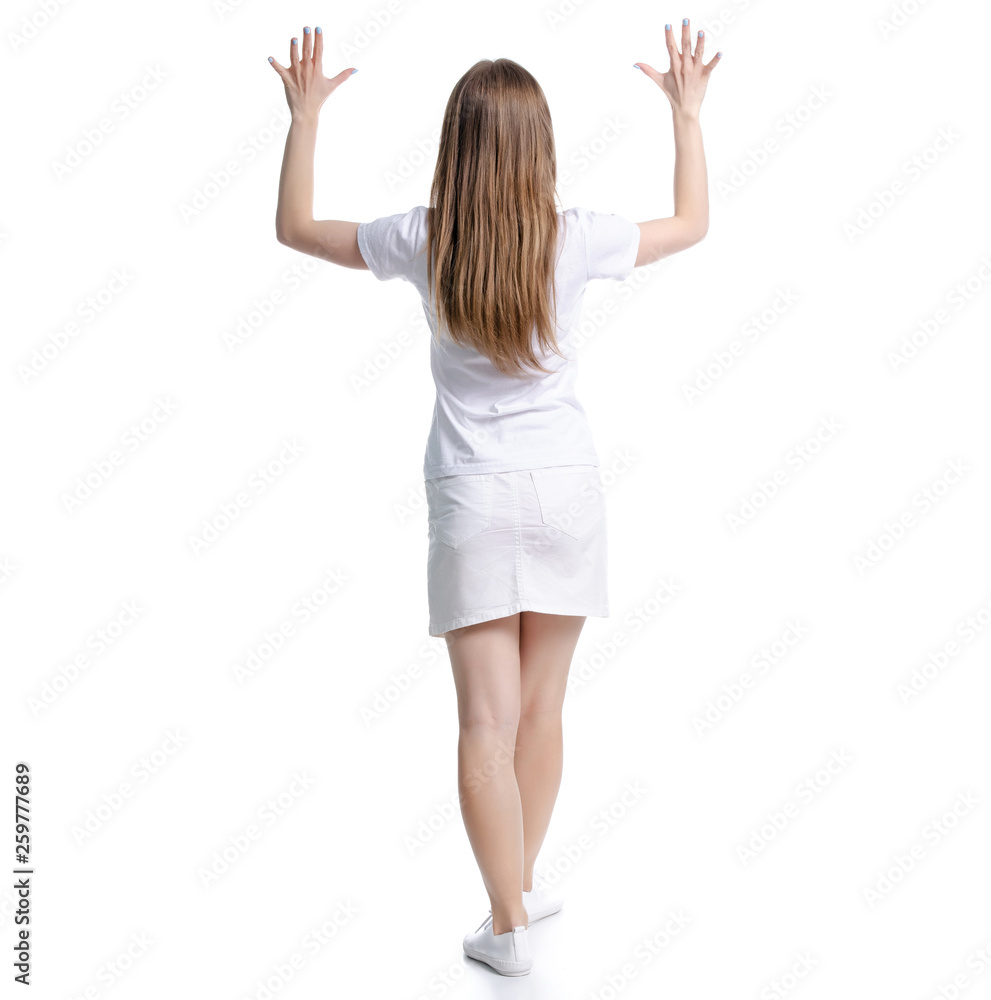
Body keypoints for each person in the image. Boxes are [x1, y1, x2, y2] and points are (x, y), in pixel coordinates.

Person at [268, 19, 719, 977]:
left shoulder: (425, 237)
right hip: (565, 492)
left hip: (472, 498)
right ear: (540, 148)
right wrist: (687, 115)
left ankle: (508, 917)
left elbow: (297, 229)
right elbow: (691, 225)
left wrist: (305, 119)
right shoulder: (576, 238)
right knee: (542, 711)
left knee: (485, 722)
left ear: (456, 147)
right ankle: (514, 899)